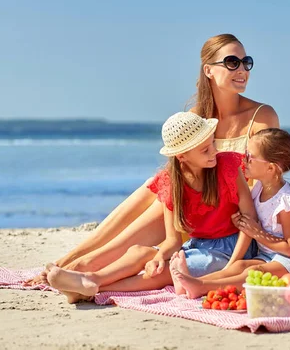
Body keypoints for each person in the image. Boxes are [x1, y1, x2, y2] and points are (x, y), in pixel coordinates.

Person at [27, 34, 278, 286]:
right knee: (161, 184)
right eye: (232, 62)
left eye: (247, 62)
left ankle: (83, 267)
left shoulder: (261, 115)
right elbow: (182, 170)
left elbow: (267, 180)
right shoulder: (195, 116)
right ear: (209, 70)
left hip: (233, 214)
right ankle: (72, 261)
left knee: (166, 193)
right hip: (200, 207)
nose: (242, 70)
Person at [46, 112, 258, 303]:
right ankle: (89, 281)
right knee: (140, 252)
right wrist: (158, 256)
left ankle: (91, 286)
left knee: (167, 272)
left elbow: (250, 219)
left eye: (213, 144)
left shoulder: (228, 166)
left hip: (234, 247)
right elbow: (173, 241)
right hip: (198, 246)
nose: (214, 151)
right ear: (182, 156)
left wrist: (233, 263)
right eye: (205, 150)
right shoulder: (171, 183)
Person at [168, 128, 290, 299]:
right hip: (269, 256)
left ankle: (201, 287)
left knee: (253, 272)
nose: (243, 160)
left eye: (249, 157)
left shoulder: (285, 203)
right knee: (240, 266)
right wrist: (240, 222)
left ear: (270, 168)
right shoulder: (259, 189)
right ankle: (191, 283)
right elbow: (254, 219)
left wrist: (258, 233)